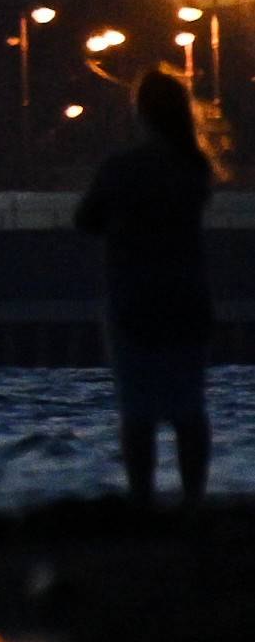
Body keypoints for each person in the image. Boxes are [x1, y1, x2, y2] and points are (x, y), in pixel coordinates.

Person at [72, 69, 220, 507]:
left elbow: (86, 220)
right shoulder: (195, 167)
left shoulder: (121, 168)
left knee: (138, 409)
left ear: (140, 112)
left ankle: (143, 501)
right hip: (187, 296)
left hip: (134, 295)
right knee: (188, 407)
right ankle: (194, 500)